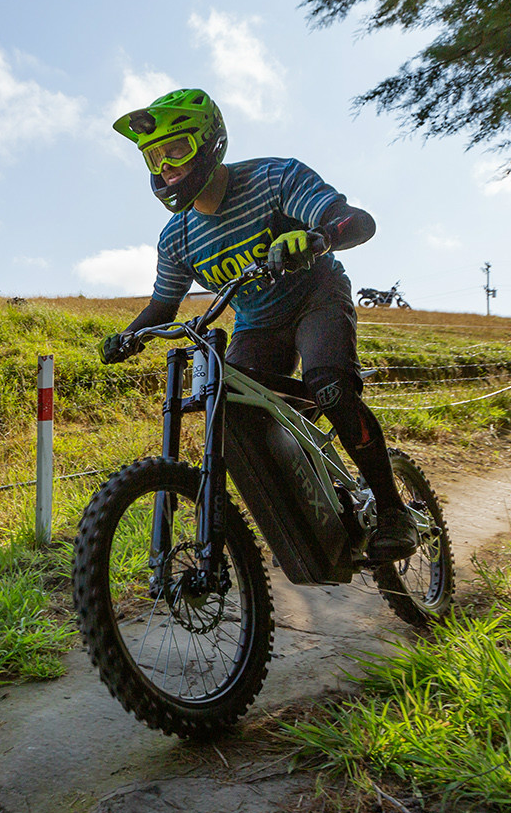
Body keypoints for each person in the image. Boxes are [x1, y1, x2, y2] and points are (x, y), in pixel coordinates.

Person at [100, 87, 416, 560]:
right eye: (153, 159)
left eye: (176, 150)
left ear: (210, 144)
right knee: (231, 412)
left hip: (316, 298)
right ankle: (307, 509)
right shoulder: (176, 237)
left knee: (328, 384)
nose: (166, 168)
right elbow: (163, 306)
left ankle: (394, 511)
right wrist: (128, 337)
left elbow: (357, 221)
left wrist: (316, 237)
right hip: (257, 325)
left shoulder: (275, 178)